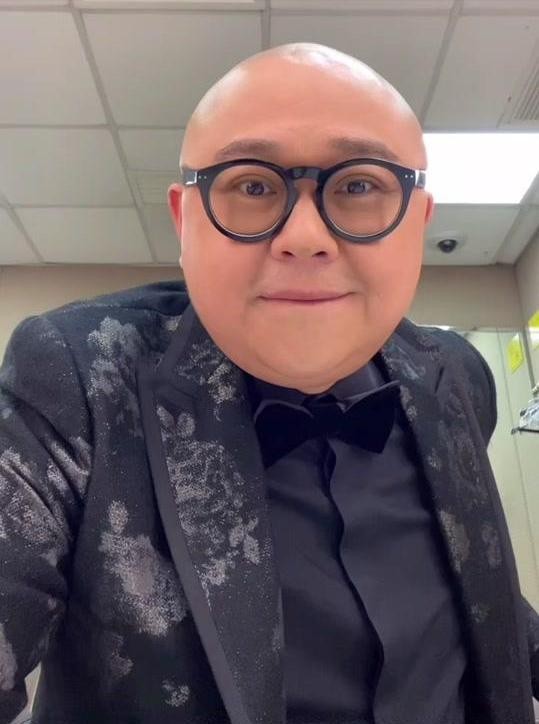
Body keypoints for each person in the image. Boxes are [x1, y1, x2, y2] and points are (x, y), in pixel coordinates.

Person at [0, 42, 537, 724]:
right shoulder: (76, 377)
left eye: (359, 185)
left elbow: (477, 594)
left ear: (418, 222)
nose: (305, 236)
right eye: (252, 186)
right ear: (185, 221)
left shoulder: (458, 375)